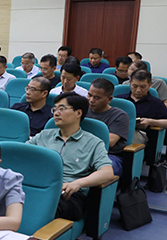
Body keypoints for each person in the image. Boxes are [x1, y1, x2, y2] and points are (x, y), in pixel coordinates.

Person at [28, 92, 114, 221]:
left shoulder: (93, 143)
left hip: (69, 195)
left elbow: (107, 172)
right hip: (39, 187)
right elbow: (23, 158)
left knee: (43, 208)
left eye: (62, 109)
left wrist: (77, 183)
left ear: (78, 113)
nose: (56, 113)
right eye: (55, 109)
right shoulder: (44, 136)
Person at [117, 70, 167, 144]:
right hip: (117, 130)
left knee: (124, 139)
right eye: (134, 86)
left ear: (150, 84)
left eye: (143, 87)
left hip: (138, 133)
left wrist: (151, 122)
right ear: (130, 82)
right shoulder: (119, 100)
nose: (138, 90)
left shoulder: (155, 103)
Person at [86, 79, 129, 177]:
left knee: (104, 168)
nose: (91, 100)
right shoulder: (82, 110)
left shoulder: (120, 116)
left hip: (108, 155)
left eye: (97, 97)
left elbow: (109, 141)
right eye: (89, 95)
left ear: (109, 99)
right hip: (81, 151)